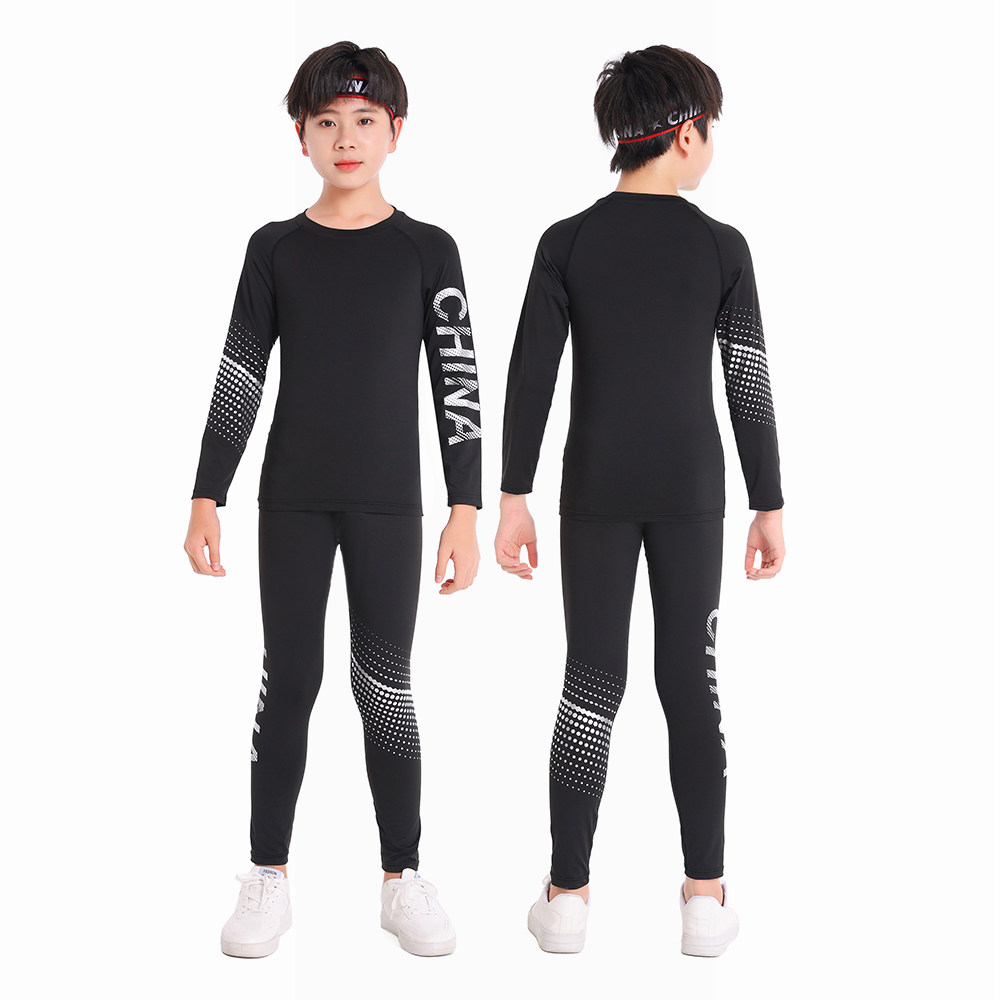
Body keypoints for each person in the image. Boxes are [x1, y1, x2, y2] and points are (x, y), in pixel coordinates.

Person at [183, 41, 481, 959]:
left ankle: (402, 879)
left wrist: (466, 506)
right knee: (291, 681)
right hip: (294, 502)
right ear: (301, 136)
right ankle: (267, 876)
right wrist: (207, 492)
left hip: (390, 504)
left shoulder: (428, 250)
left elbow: (458, 384)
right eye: (326, 122)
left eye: (364, 120)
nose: (346, 138)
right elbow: (240, 375)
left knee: (384, 683)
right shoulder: (274, 249)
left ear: (395, 131)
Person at [495, 44, 785, 956]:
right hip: (693, 490)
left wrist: (512, 498)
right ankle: (705, 898)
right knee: (690, 684)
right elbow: (749, 383)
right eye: (712, 129)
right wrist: (769, 502)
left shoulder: (568, 241)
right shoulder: (720, 247)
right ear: (687, 134)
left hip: (596, 488)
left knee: (591, 681)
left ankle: (566, 898)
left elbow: (530, 379)